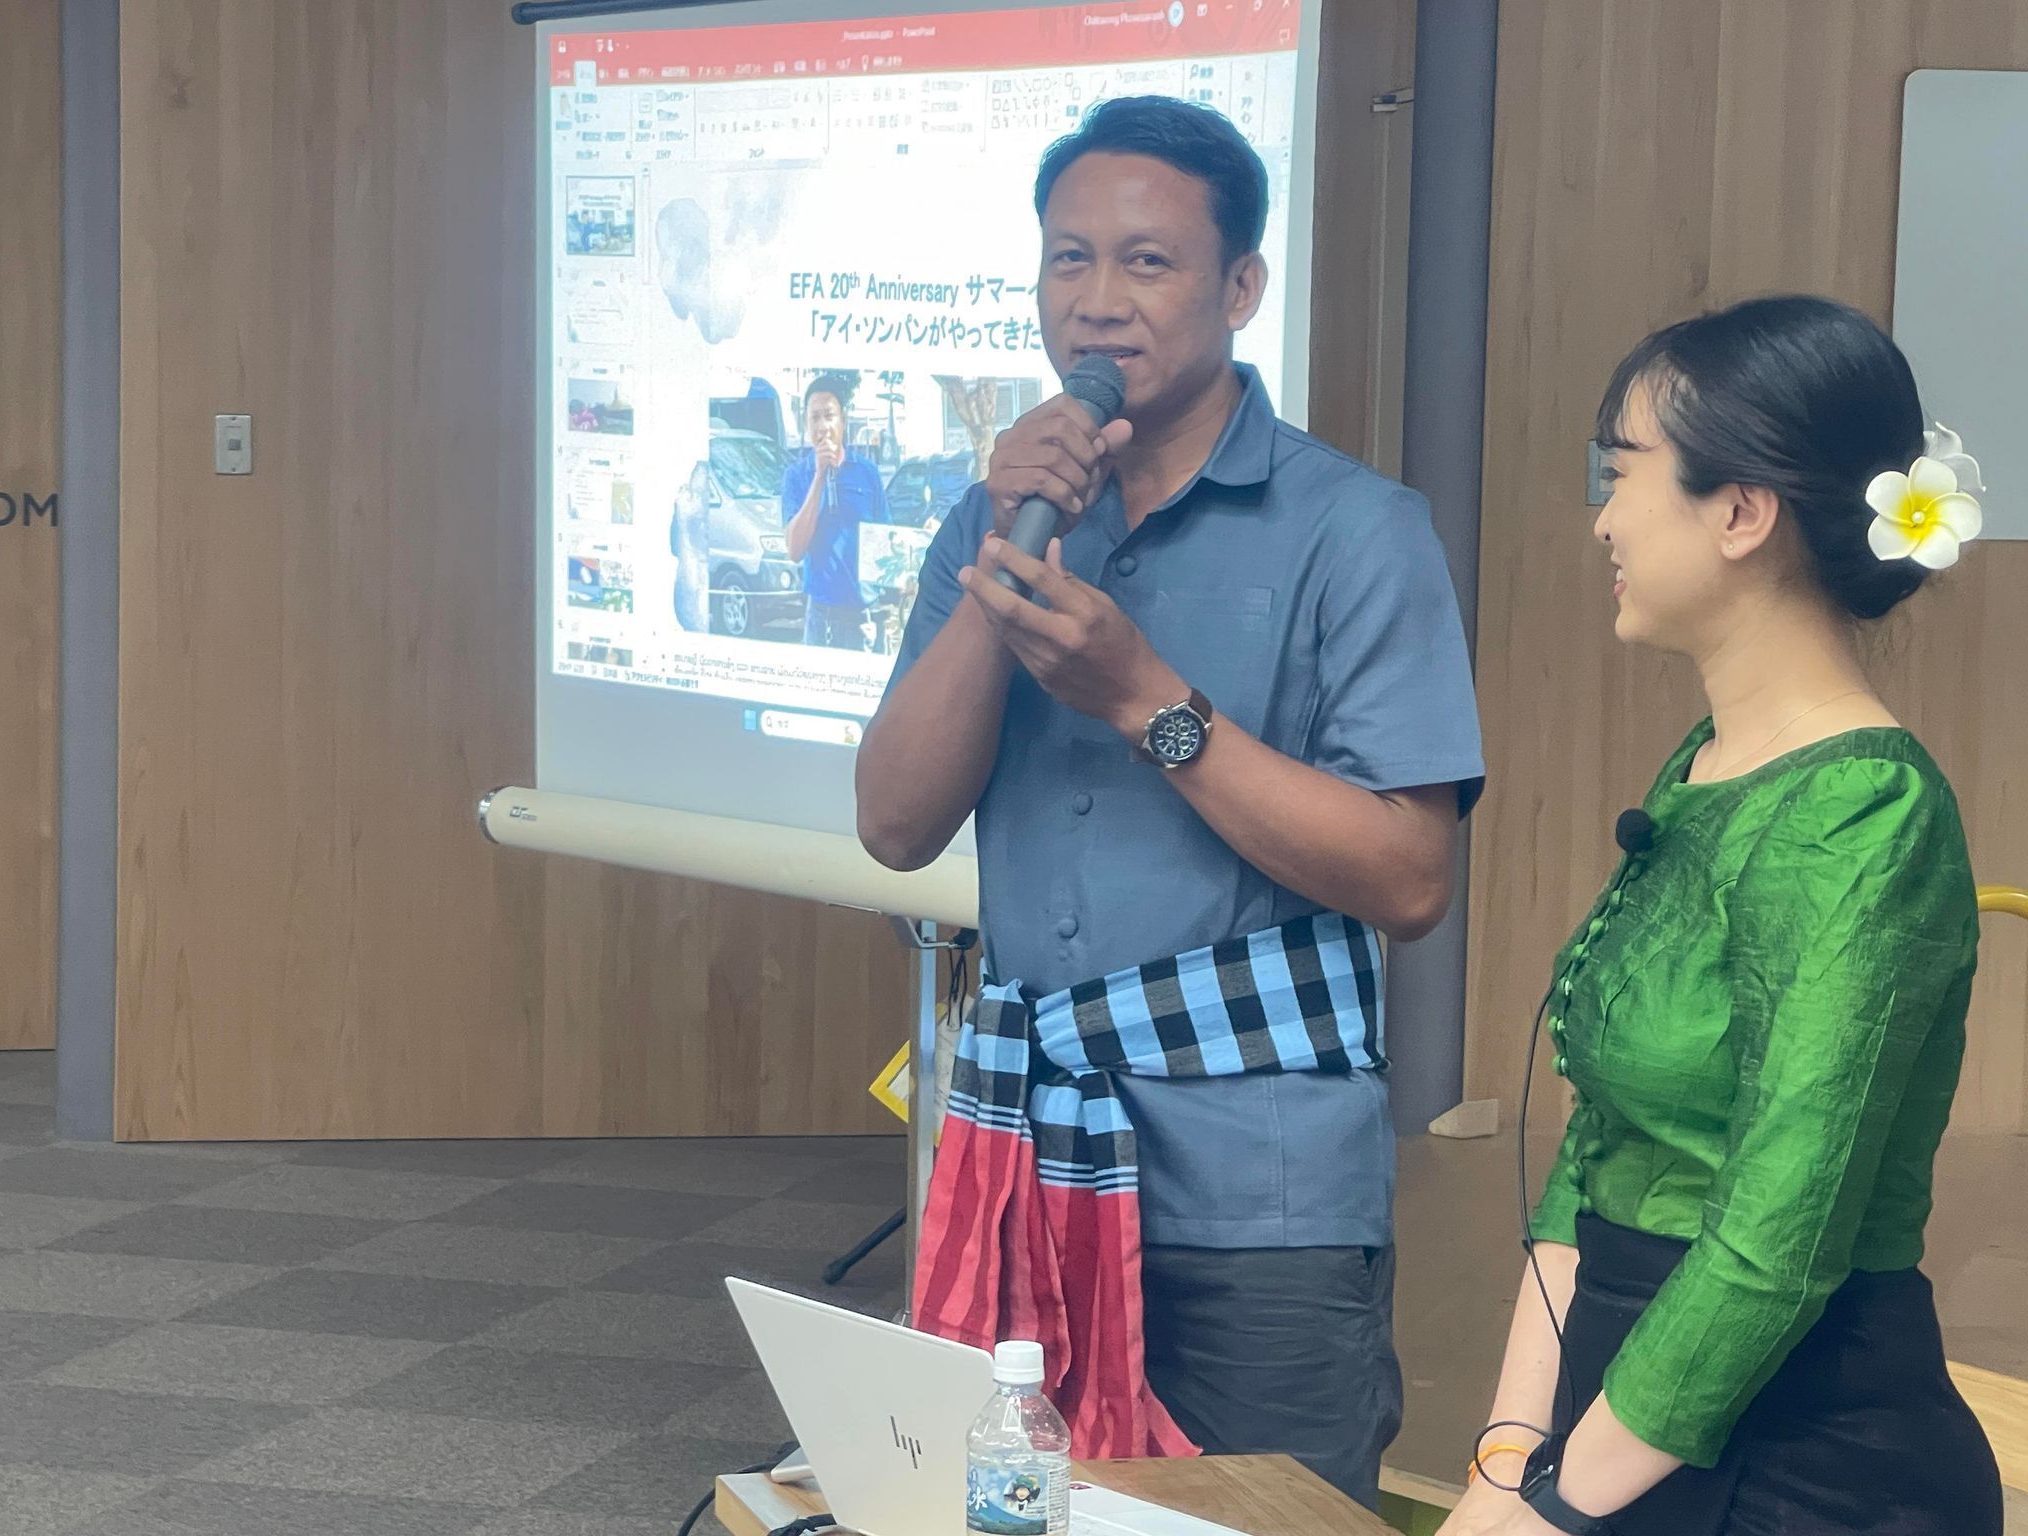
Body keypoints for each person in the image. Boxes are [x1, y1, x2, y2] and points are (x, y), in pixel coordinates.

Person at [855, 95, 1483, 1508]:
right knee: (1020, 1516)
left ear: (1240, 288)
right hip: (1030, 1158)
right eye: (1067, 260)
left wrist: (1145, 697)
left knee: (1270, 1522)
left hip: (1258, 1193)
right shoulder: (990, 521)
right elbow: (893, 824)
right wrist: (1000, 563)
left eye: (1146, 262)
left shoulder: (1355, 530)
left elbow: (1409, 878)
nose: (1097, 302)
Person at [1442, 295, 1998, 1536]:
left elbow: (1771, 1241)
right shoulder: (1706, 763)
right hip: (1615, 1429)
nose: (1601, 519)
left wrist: (1549, 1510)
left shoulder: (1860, 813)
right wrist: (1505, 1461)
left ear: (1741, 512)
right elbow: (1597, 1150)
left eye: (1620, 473)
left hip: (1804, 1471)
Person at [783, 376, 885, 649]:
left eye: (829, 416)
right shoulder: (795, 476)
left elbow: (885, 543)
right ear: (806, 425)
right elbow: (794, 550)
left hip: (865, 616)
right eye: (814, 418)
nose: (822, 426)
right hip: (821, 619)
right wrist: (819, 477)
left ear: (843, 420)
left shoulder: (868, 472)